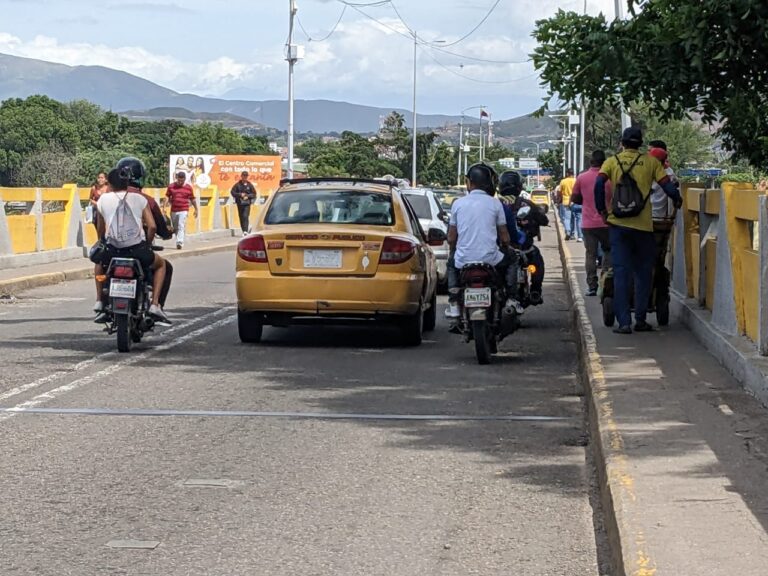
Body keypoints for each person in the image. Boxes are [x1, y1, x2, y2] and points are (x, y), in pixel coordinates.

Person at [595, 127, 682, 334]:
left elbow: (599, 185)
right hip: (644, 228)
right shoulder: (650, 162)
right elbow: (667, 186)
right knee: (644, 273)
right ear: (640, 144)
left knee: (621, 273)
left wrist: (602, 210)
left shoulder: (611, 161)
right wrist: (677, 200)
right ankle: (641, 320)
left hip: (619, 225)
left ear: (622, 142)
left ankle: (624, 323)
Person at [95, 157, 171, 325]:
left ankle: (100, 301)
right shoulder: (144, 199)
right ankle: (155, 305)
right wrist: (147, 244)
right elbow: (153, 226)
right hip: (137, 249)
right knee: (162, 265)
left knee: (99, 263)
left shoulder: (103, 199)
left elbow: (100, 228)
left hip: (112, 249)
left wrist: (103, 241)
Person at [445, 163, 519, 319]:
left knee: (451, 263)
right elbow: (505, 236)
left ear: (469, 183)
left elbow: (451, 238)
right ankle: (512, 298)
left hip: (463, 260)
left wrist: (454, 250)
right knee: (513, 259)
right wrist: (507, 246)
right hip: (490, 259)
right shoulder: (496, 203)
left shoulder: (458, 204)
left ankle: (453, 304)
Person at [498, 170, 548, 304]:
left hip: (501, 248)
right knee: (537, 262)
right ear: (519, 187)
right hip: (522, 247)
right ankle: (535, 290)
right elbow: (543, 219)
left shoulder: (496, 203)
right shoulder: (527, 204)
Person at [572, 150, 612, 296]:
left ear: (591, 162)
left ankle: (592, 285)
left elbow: (575, 198)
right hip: (607, 222)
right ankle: (606, 280)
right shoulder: (610, 178)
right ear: (605, 162)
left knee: (591, 254)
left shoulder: (582, 178)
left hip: (588, 224)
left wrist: (586, 201)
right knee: (609, 251)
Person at [164, 172, 198, 249]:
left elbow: (192, 199)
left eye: (182, 181)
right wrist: (164, 207)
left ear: (184, 179)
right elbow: (167, 196)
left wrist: (196, 209)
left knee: (181, 225)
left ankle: (180, 242)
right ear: (177, 178)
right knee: (175, 227)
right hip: (174, 210)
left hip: (184, 209)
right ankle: (178, 240)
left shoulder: (188, 187)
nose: (180, 182)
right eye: (179, 180)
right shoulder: (171, 186)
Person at [230, 171, 257, 235]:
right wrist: (240, 195)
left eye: (246, 176)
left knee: (245, 216)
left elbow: (254, 194)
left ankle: (246, 231)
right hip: (240, 203)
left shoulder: (249, 185)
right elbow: (232, 192)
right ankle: (243, 230)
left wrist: (247, 196)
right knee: (241, 217)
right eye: (244, 176)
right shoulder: (237, 185)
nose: (245, 177)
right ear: (241, 176)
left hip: (247, 203)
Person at [557, 169, 577, 240]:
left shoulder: (563, 181)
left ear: (567, 173)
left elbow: (559, 191)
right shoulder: (576, 180)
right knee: (573, 219)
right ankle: (572, 234)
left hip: (565, 201)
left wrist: (559, 199)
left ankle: (568, 231)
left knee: (566, 218)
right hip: (575, 202)